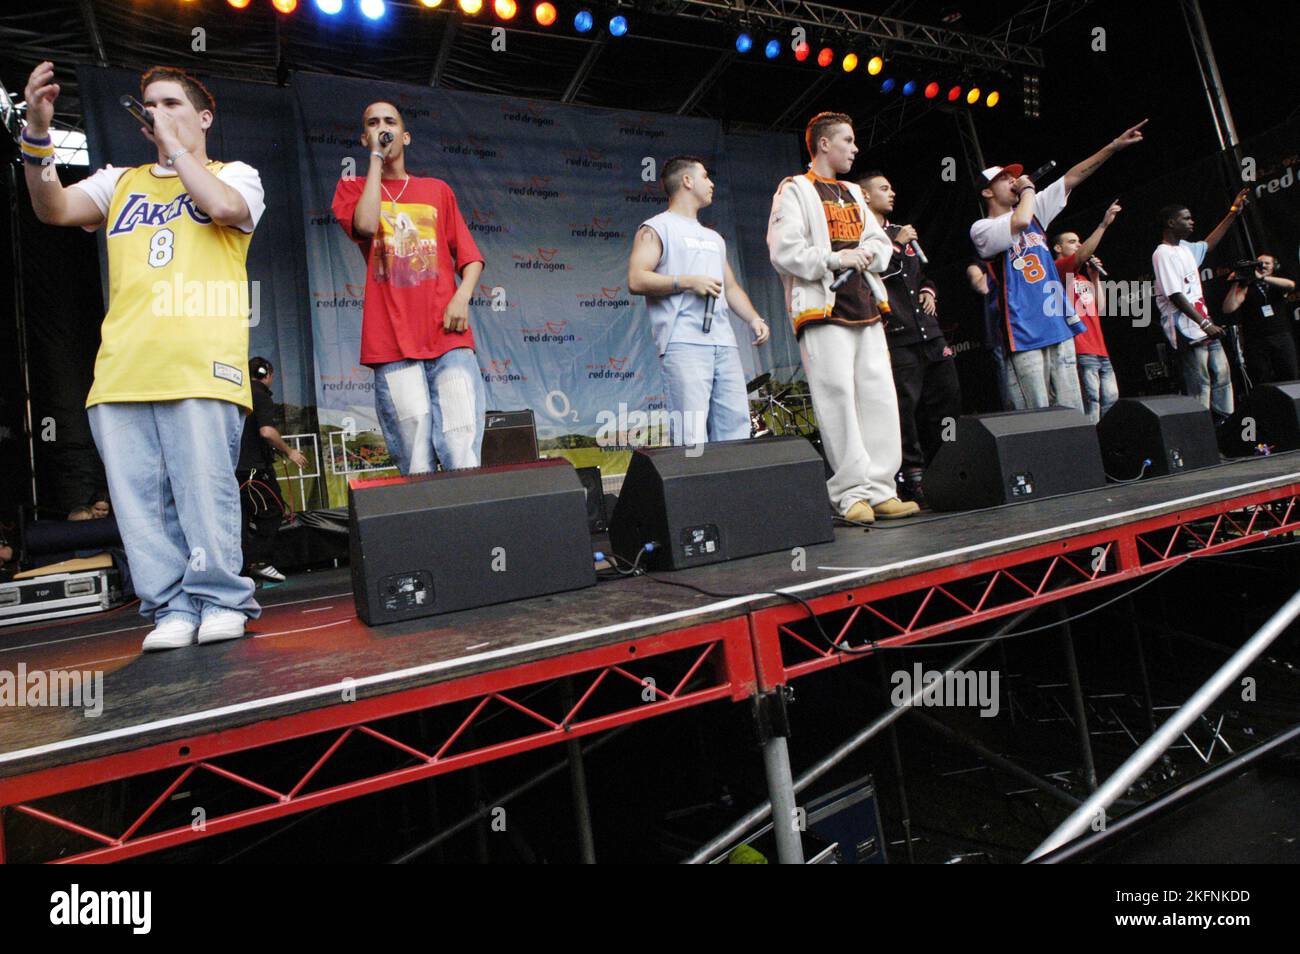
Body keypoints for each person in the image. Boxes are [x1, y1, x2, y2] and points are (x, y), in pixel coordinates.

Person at [22, 62, 264, 651]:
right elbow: (51, 209)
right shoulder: (121, 181)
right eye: (149, 104)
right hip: (124, 368)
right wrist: (36, 133)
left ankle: (222, 598)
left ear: (203, 117)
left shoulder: (234, 172)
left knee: (204, 492)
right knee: (140, 505)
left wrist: (179, 152)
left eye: (172, 104)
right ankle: (170, 606)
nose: (156, 112)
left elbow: (225, 207)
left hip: (201, 363)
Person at [766, 112, 917, 524]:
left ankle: (883, 488)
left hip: (865, 305)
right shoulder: (795, 189)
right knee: (838, 398)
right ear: (824, 144)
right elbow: (784, 251)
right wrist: (836, 258)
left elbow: (878, 241)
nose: (854, 148)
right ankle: (850, 493)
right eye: (847, 141)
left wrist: (868, 252)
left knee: (879, 397)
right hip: (822, 307)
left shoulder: (853, 192)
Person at [332, 101, 486, 475]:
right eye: (372, 123)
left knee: (461, 446)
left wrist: (461, 298)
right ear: (364, 136)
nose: (382, 128)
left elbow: (471, 258)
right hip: (392, 343)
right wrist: (374, 159)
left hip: (448, 337)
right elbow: (367, 226)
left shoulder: (436, 190)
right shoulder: (352, 188)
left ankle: (470, 533)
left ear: (405, 135)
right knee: (415, 458)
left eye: (389, 122)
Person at [970, 120, 1147, 413]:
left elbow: (1072, 177)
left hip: (1057, 323)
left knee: (1071, 410)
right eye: (1004, 178)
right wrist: (1027, 191)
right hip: (1022, 331)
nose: (1013, 180)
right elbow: (1020, 222)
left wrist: (1113, 146)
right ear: (987, 192)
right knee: (1037, 413)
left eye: (1014, 176)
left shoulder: (1035, 208)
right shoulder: (982, 228)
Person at [627, 156, 770, 447]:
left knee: (737, 428)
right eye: (705, 176)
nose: (711, 183)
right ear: (687, 181)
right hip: (683, 341)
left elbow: (730, 287)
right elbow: (636, 279)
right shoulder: (656, 228)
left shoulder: (714, 237)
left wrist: (754, 318)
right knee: (691, 433)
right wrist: (687, 281)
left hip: (724, 342)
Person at [859, 171, 960, 506]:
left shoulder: (900, 233)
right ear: (864, 194)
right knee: (905, 408)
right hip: (897, 336)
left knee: (947, 397)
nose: (891, 193)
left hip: (929, 332)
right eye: (883, 188)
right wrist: (898, 244)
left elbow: (923, 274)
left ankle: (947, 462)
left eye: (892, 187)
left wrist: (930, 290)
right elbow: (877, 273)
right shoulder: (863, 238)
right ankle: (912, 475)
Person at [1152, 191, 1249, 424]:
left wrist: (1233, 213)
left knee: (1223, 376)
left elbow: (1209, 244)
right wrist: (1204, 323)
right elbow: (1175, 294)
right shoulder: (1162, 253)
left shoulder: (1185, 249)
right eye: (1186, 218)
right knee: (1201, 383)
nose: (1191, 221)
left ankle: (1225, 426)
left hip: (1205, 325)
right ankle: (1203, 433)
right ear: (1171, 223)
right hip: (1187, 327)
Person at [238, 357, 308, 583]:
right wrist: (290, 452)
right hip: (254, 472)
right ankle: (258, 562)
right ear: (265, 373)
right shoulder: (260, 396)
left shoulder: (237, 396)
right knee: (273, 511)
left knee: (242, 519)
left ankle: (240, 572)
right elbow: (267, 431)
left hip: (234, 469)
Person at [1053, 200, 1123, 423]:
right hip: (1081, 348)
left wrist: (1094, 277)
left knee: (1111, 397)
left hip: (1100, 348)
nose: (1077, 244)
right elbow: (1081, 255)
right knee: (1091, 400)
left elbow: (1100, 308)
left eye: (1078, 241)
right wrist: (1103, 225)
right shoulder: (1059, 270)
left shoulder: (1083, 277)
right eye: (1071, 242)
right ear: (1058, 248)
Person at [1222, 253, 1297, 385]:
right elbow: (1228, 308)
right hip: (1256, 340)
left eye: (1267, 263)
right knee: (1261, 377)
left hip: (1281, 336)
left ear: (1274, 266)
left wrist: (1262, 278)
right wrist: (1236, 283)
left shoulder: (1276, 284)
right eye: (1258, 263)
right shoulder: (1246, 287)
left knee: (1289, 374)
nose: (1262, 266)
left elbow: (1291, 285)